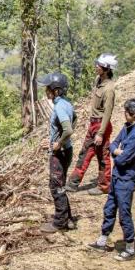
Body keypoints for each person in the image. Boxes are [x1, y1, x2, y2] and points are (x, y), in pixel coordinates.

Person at [87, 97, 135, 261]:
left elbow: (122, 160)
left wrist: (118, 153)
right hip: (117, 177)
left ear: (134, 114)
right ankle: (102, 240)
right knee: (109, 208)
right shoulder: (128, 127)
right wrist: (118, 151)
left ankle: (130, 247)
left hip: (126, 180)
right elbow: (113, 144)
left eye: (127, 111)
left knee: (124, 213)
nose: (124, 113)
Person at [68, 54, 118, 195]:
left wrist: (101, 133)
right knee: (85, 154)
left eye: (99, 65)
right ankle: (73, 183)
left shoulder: (109, 89)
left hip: (101, 125)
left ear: (107, 69)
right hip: (94, 124)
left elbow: (108, 113)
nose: (96, 66)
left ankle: (104, 186)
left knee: (103, 156)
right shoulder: (98, 81)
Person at [38, 72, 77, 234]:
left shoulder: (60, 106)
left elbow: (68, 129)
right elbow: (75, 119)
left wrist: (58, 143)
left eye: (48, 88)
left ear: (56, 90)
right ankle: (67, 219)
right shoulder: (66, 104)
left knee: (56, 186)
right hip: (66, 150)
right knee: (60, 184)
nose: (46, 91)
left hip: (60, 152)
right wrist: (56, 139)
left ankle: (59, 222)